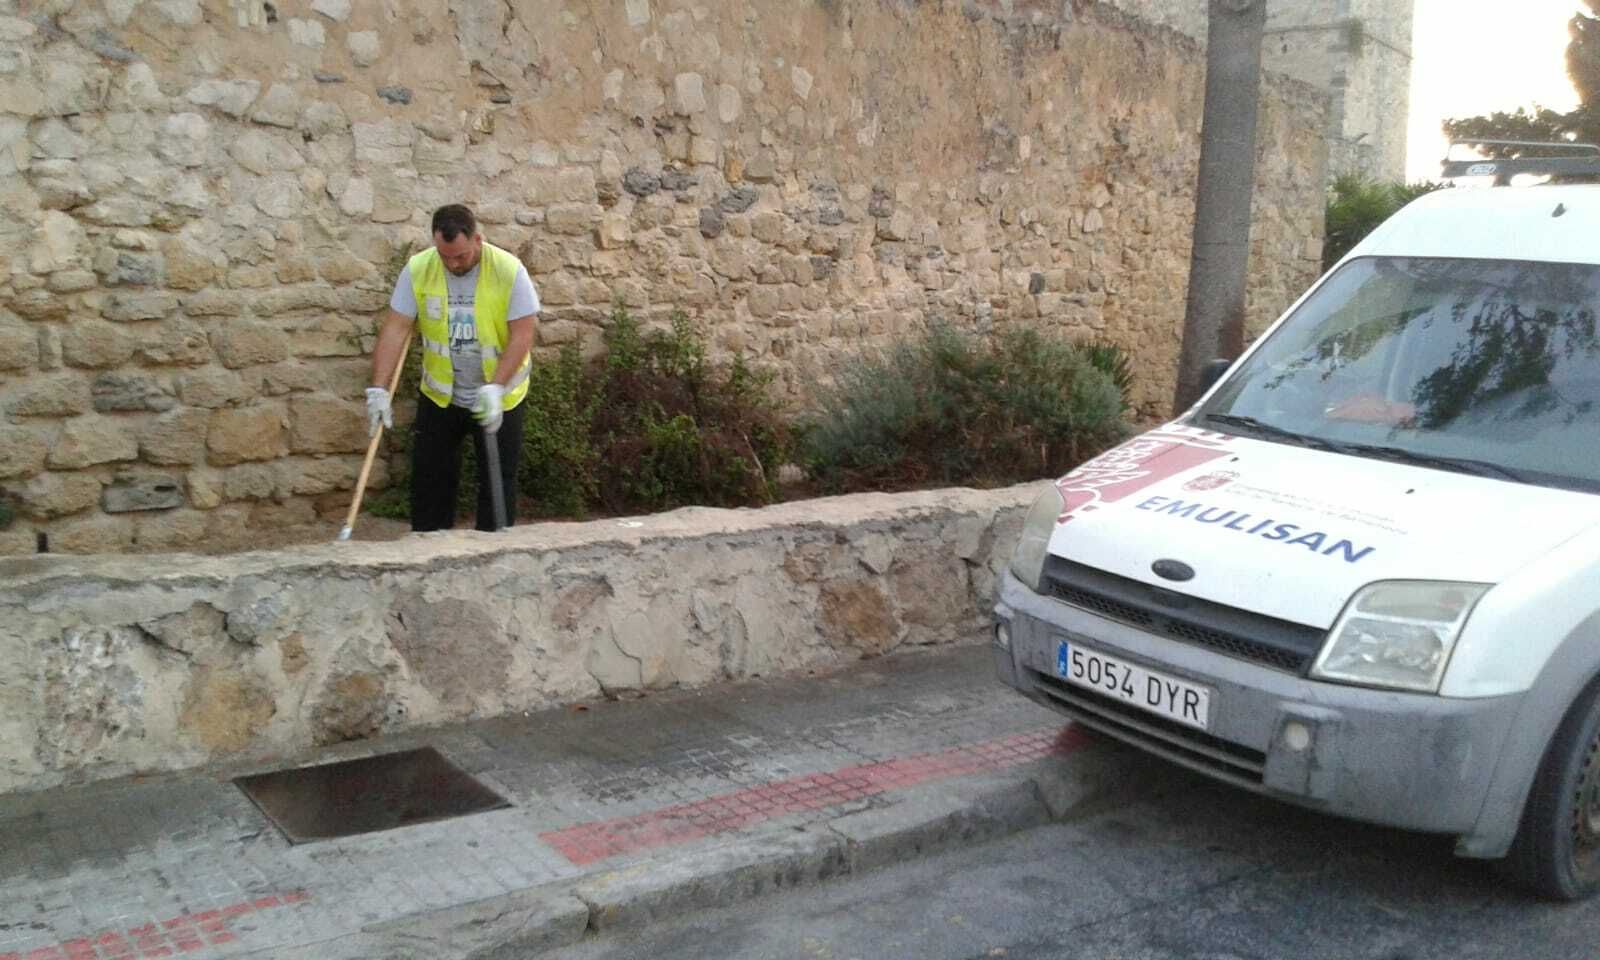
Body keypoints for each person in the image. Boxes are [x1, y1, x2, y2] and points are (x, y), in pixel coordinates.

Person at [365, 204, 539, 532]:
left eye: (459, 256)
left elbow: (522, 335)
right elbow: (396, 329)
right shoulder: (419, 269)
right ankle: (429, 551)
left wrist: (496, 387)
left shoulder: (508, 270)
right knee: (430, 479)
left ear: (477, 239)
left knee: (497, 481)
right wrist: (378, 389)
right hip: (441, 396)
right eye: (444, 256)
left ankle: (495, 551)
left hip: (497, 397)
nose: (452, 264)